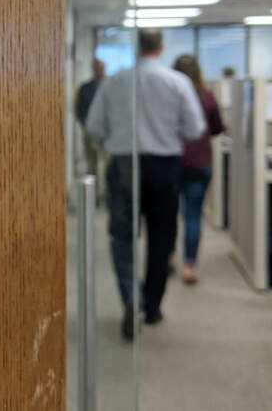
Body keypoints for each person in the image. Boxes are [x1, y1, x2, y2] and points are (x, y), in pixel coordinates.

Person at [85, 29, 206, 340]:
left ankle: (130, 297)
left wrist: (118, 136)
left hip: (124, 164)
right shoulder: (177, 82)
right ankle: (151, 306)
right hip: (164, 166)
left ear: (136, 47)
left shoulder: (115, 81)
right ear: (162, 47)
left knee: (122, 236)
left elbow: (95, 127)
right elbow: (195, 129)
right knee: (161, 237)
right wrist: (167, 132)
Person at [172, 54, 225, 285]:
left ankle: (169, 257)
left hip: (173, 162)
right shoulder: (207, 96)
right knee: (193, 215)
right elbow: (217, 128)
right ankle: (189, 267)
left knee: (168, 215)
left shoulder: (170, 96)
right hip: (200, 163)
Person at [75, 59, 106, 179]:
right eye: (97, 68)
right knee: (91, 164)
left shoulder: (110, 86)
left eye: (102, 68)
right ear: (93, 70)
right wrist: (85, 126)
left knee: (107, 164)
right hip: (89, 132)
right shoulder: (85, 88)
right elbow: (79, 109)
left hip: (107, 133)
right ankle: (93, 194)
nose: (100, 71)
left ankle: (105, 193)